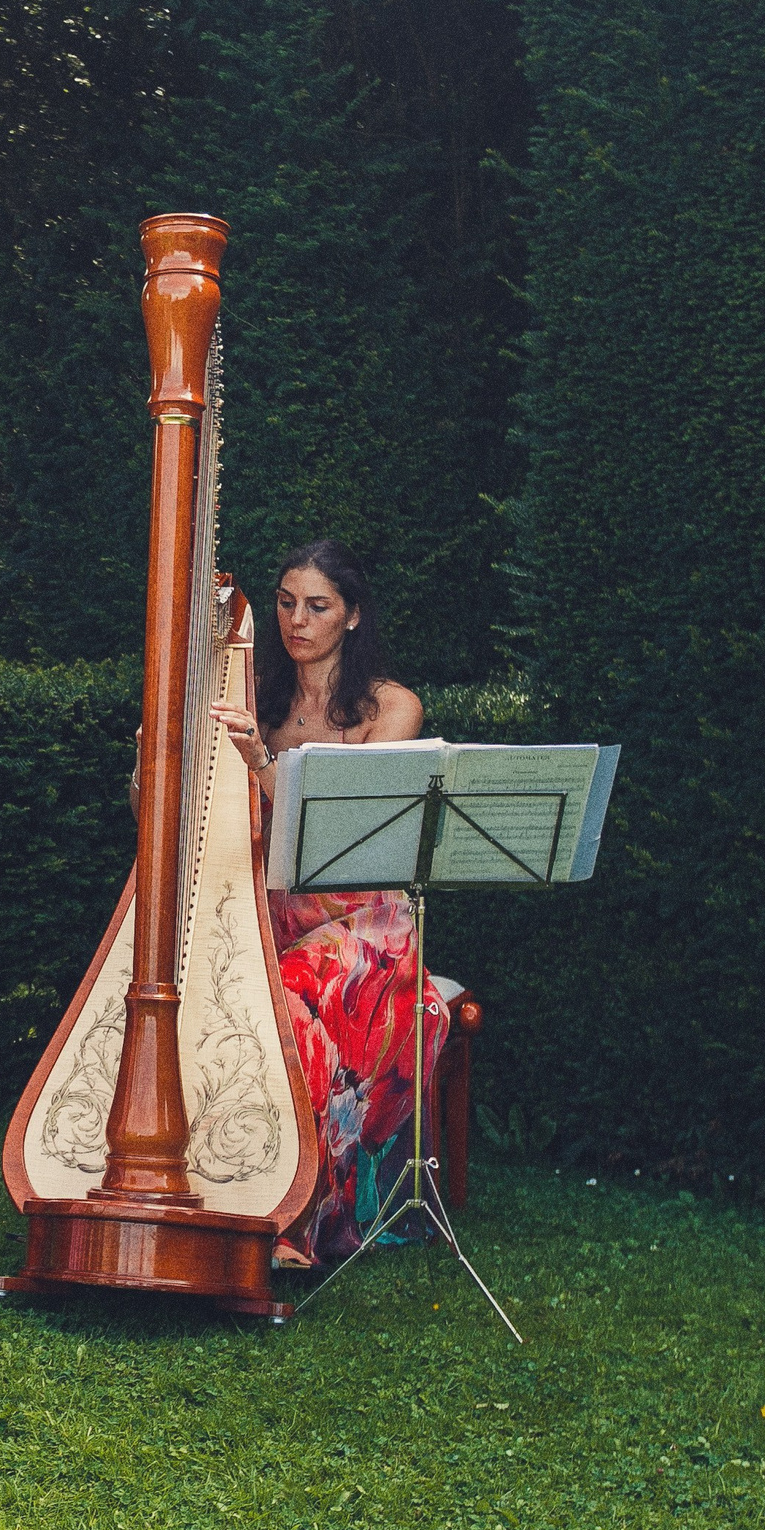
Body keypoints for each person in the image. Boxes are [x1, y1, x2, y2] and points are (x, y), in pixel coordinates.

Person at [206, 539, 442, 1266]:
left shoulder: (392, 708)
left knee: (285, 1009)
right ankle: (229, 1190)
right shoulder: (259, 708)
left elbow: (340, 826)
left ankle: (298, 1216)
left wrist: (261, 764)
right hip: (275, 919)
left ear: (351, 617)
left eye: (317, 606)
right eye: (284, 603)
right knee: (225, 996)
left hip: (365, 924)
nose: (296, 620)